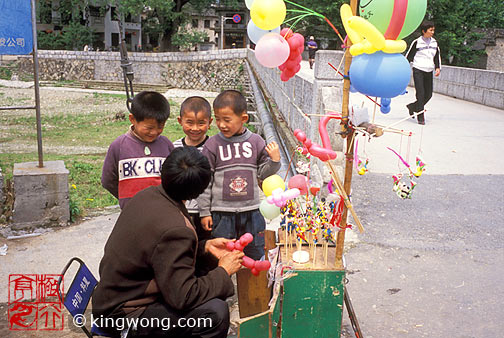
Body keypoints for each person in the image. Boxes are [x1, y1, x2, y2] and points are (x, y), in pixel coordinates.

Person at [92, 147, 243, 338]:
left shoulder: (147, 195)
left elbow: (159, 252)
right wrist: (224, 271)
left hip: (110, 297)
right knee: (215, 314)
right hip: (123, 315)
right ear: (197, 192)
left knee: (207, 274)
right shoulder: (176, 229)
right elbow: (183, 296)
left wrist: (205, 247)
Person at [198, 90, 281, 260]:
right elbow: (206, 181)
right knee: (222, 256)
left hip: (251, 212)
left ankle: (253, 286)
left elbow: (262, 174)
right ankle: (224, 286)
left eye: (227, 120)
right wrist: (205, 211)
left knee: (254, 254)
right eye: (218, 119)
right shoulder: (212, 145)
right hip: (222, 214)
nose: (221, 125)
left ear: (243, 118)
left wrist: (274, 161)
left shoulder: (256, 142)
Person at [101, 91, 174, 209]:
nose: (154, 132)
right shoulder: (119, 146)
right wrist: (126, 199)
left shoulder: (166, 145)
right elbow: (108, 180)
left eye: (160, 127)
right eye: (149, 128)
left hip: (163, 211)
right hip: (132, 212)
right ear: (132, 119)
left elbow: (175, 177)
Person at [173, 96, 213, 241]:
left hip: (208, 212)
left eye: (201, 123)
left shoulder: (213, 148)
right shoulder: (174, 148)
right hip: (181, 211)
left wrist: (206, 211)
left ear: (210, 123)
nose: (195, 128)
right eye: (189, 123)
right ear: (180, 121)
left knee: (206, 247)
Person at [406, 20, 441, 125]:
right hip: (418, 69)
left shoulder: (434, 42)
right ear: (424, 31)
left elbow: (436, 56)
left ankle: (412, 106)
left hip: (429, 70)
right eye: (430, 30)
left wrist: (438, 67)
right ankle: (420, 117)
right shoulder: (417, 42)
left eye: (433, 30)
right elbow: (408, 56)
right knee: (420, 94)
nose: (432, 32)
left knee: (429, 94)